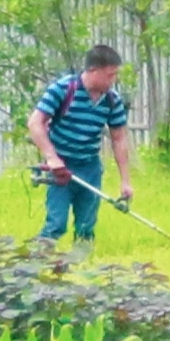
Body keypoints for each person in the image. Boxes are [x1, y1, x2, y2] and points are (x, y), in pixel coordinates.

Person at [27, 42, 134, 247]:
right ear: (93, 71)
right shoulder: (63, 89)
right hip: (61, 167)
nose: (114, 80)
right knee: (56, 224)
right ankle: (35, 263)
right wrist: (51, 157)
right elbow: (35, 122)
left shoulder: (112, 100)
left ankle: (81, 267)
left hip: (90, 166)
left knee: (86, 225)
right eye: (110, 75)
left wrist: (125, 181)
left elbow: (119, 138)